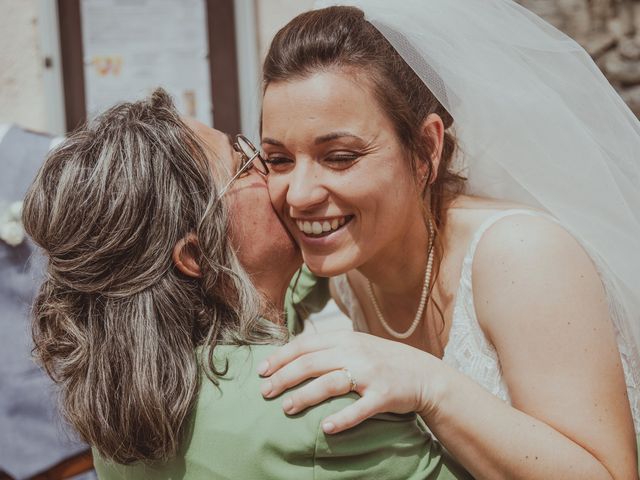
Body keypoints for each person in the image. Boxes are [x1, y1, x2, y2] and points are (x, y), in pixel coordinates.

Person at [257, 1, 640, 478]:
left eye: (338, 157)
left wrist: (428, 384)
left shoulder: (521, 256)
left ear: (426, 149)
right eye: (278, 160)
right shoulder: (350, 272)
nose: (299, 194)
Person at [22, 89, 470, 479]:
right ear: (196, 256)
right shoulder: (316, 408)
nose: (272, 175)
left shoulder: (120, 403)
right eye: (244, 164)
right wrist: (432, 384)